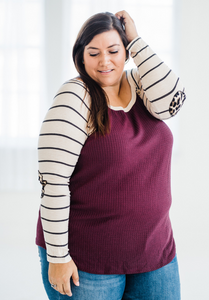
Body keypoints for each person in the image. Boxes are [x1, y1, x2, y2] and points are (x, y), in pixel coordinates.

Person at [36, 10, 186, 300]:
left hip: (155, 253)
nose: (105, 61)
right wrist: (57, 258)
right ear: (81, 58)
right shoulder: (75, 96)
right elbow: (52, 181)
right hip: (88, 261)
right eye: (93, 53)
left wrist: (137, 40)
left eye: (114, 50)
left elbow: (173, 102)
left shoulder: (142, 86)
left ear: (126, 51)